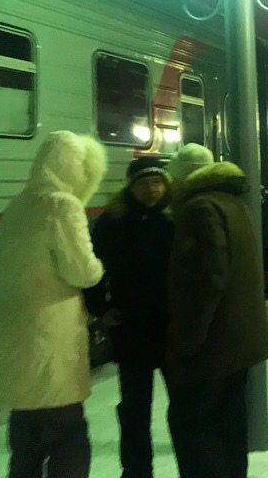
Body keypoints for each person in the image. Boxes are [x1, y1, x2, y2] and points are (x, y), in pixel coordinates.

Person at [0, 131, 106, 478]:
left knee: (26, 441)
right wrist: (100, 267)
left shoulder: (17, 206)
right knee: (69, 438)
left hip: (16, 338)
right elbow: (83, 271)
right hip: (49, 338)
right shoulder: (63, 205)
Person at [166, 157, 268, 478]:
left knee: (198, 436)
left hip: (212, 349)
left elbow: (206, 283)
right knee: (230, 433)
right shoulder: (233, 203)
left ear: (183, 179)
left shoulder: (199, 209)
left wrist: (186, 343)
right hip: (238, 346)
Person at [85, 156, 173, 478]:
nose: (153, 189)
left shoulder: (173, 219)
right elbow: (93, 270)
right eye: (145, 183)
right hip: (132, 331)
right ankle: (136, 472)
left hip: (169, 329)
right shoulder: (113, 222)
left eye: (158, 182)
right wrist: (101, 310)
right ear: (131, 186)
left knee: (181, 407)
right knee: (134, 410)